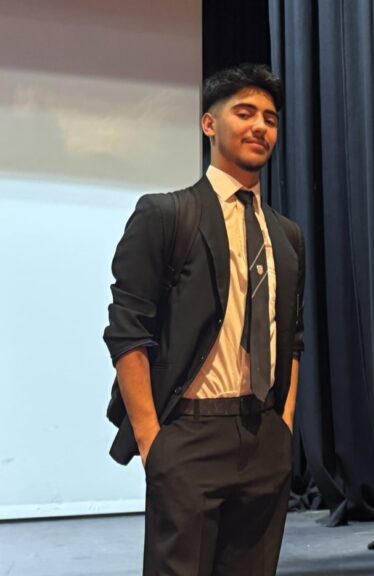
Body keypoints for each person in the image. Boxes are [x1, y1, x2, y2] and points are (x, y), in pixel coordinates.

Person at [103, 63, 305, 575]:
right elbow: (128, 332)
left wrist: (283, 426)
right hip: (188, 434)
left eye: (271, 118)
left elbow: (292, 339)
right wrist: (153, 442)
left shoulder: (287, 235)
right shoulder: (166, 215)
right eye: (245, 113)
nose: (261, 126)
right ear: (209, 125)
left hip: (263, 433)